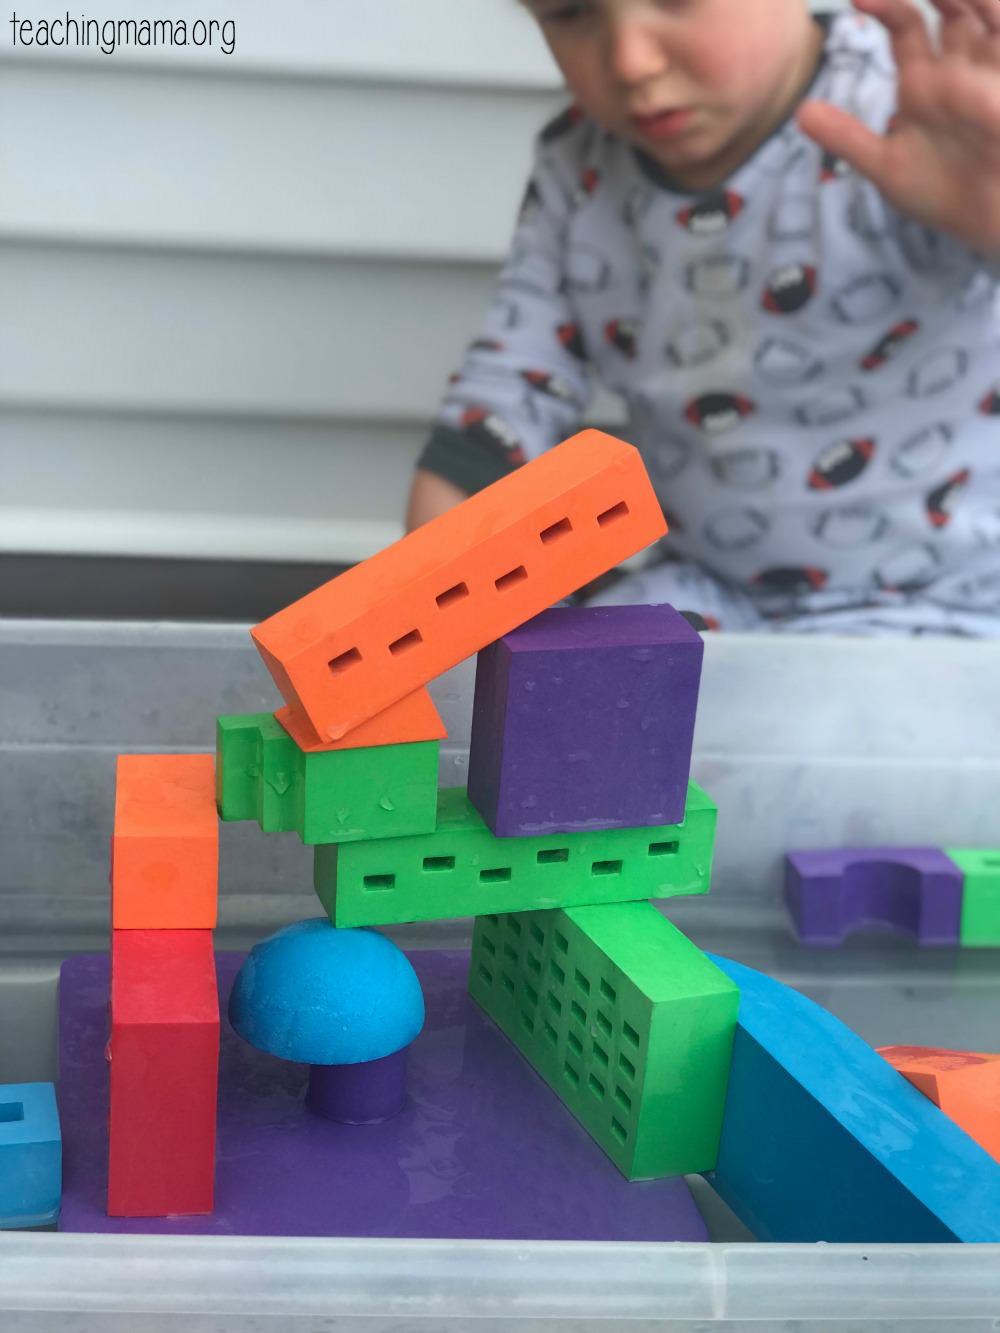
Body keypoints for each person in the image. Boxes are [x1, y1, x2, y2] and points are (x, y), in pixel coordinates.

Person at [405, 0, 1000, 635]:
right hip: (712, 587)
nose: (632, 61)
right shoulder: (578, 168)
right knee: (561, 694)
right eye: (570, 13)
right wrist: (429, 610)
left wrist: (987, 214)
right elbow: (507, 401)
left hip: (951, 594)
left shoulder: (916, 118)